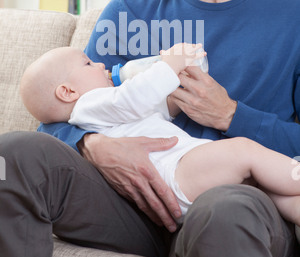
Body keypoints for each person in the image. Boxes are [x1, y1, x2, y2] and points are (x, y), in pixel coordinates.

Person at [1, 0, 300, 257]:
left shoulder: (293, 13)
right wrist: (92, 144)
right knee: (10, 154)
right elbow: (56, 112)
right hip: (130, 214)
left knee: (226, 210)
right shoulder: (129, 12)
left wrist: (232, 115)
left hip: (231, 206)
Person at [20, 45, 300, 228]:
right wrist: (168, 65)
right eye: (88, 63)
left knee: (267, 189)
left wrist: (184, 79)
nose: (101, 65)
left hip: (181, 178)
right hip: (174, 174)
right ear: (68, 92)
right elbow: (134, 97)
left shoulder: (108, 113)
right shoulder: (88, 106)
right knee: (244, 151)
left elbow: (160, 106)